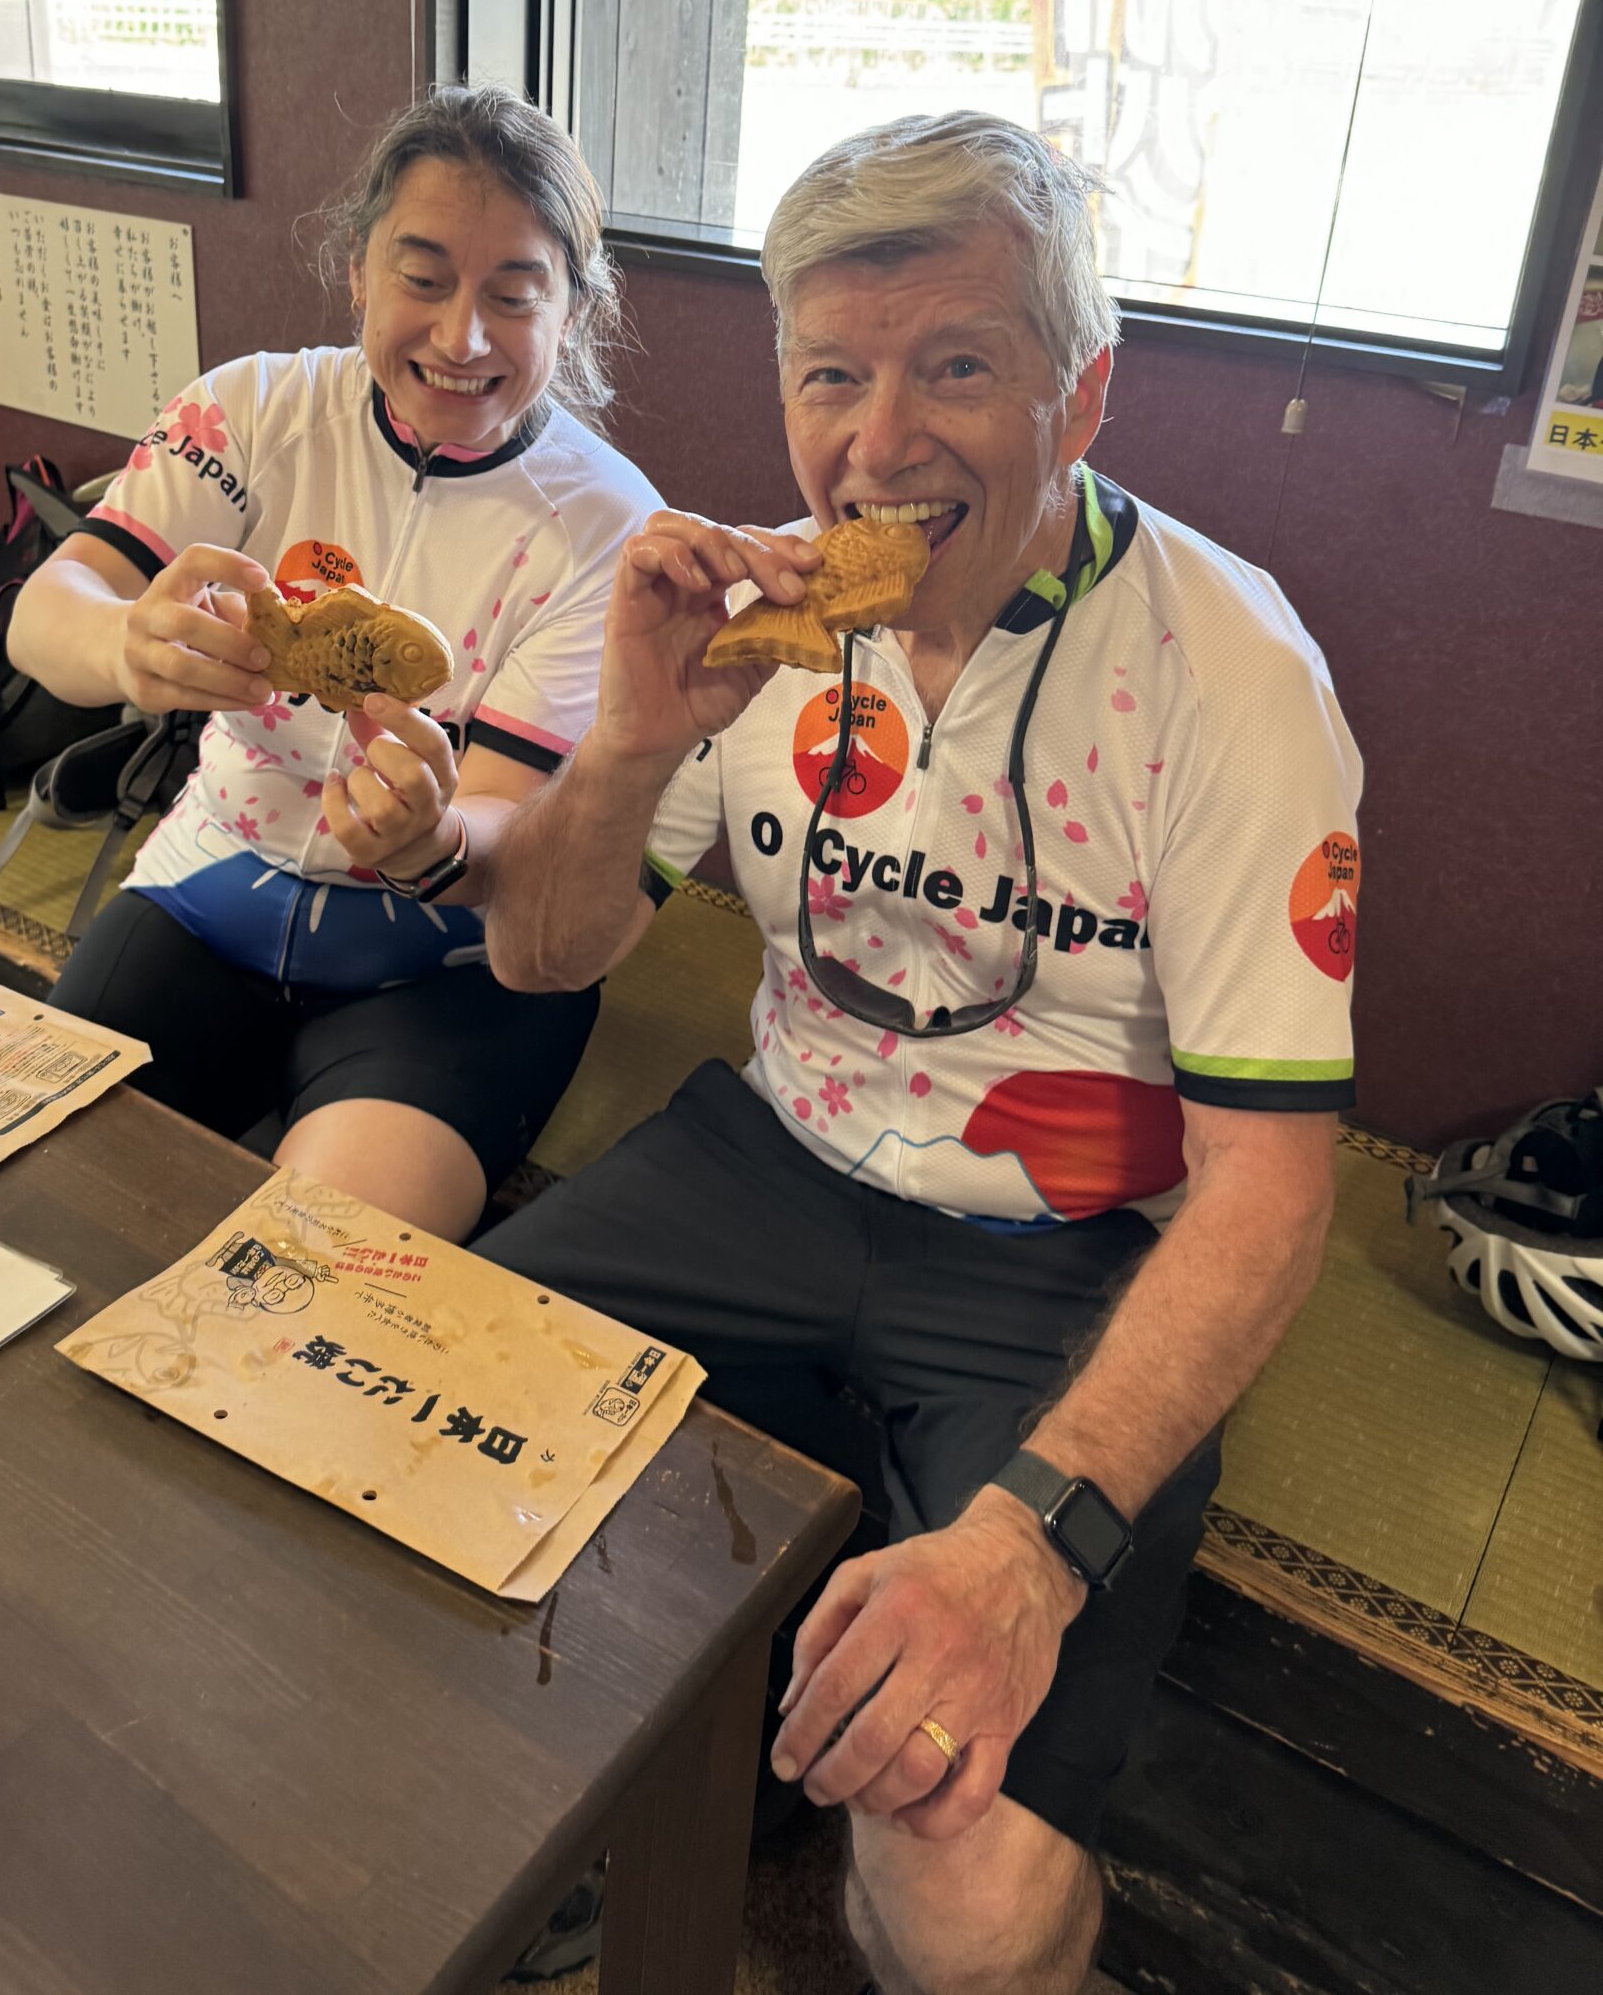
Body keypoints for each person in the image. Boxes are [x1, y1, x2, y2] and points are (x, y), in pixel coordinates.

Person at [480, 110, 1362, 1995]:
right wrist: (633, 742)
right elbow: (544, 955)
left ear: (1085, 389)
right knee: (395, 1444)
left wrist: (1029, 1552)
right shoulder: (752, 621)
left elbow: (1275, 1191)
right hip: (766, 1165)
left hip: (1066, 1259)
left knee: (957, 1902)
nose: (878, 446)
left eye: (956, 367)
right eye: (833, 376)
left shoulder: (1233, 678)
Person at [8, 86, 660, 1240]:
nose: (462, 338)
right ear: (356, 270)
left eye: (514, 296)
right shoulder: (250, 409)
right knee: (44, 1204)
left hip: (451, 967)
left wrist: (435, 837)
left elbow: (512, 833)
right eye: (422, 279)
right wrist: (127, 642)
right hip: (211, 884)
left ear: (573, 311)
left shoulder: (607, 528)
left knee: (312, 1277)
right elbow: (45, 611)